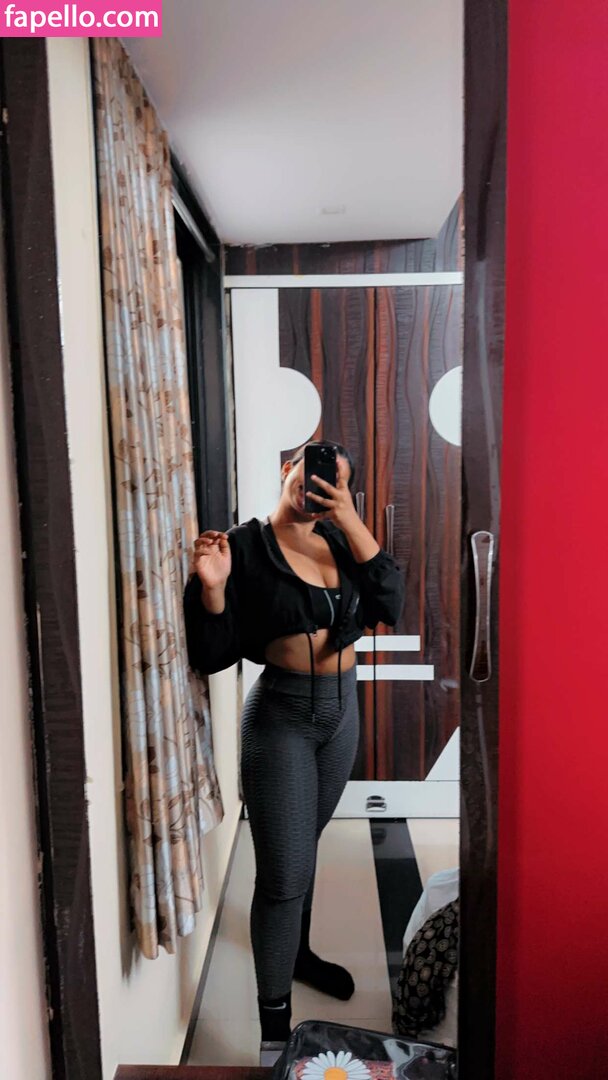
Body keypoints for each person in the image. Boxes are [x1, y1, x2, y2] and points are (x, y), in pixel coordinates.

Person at [183, 440, 404, 1060]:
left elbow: (390, 601)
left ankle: (299, 954)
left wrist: (350, 518)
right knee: (283, 877)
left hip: (342, 714)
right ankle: (274, 1034)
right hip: (281, 719)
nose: (317, 489)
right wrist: (214, 590)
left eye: (334, 483)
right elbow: (212, 655)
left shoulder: (341, 539)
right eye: (310, 474)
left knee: (304, 846)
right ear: (288, 470)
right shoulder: (244, 547)